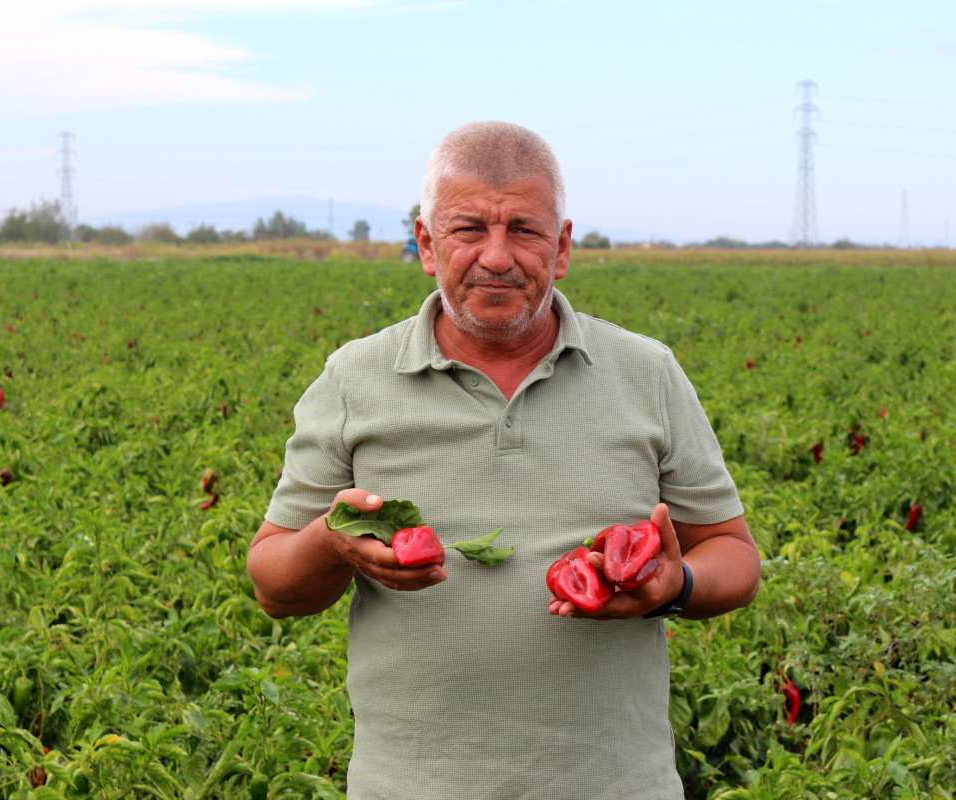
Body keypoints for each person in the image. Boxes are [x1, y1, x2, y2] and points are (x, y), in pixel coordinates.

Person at [246, 121, 761, 799]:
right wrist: (334, 539)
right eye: (467, 230)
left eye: (524, 229)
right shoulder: (355, 379)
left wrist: (677, 587)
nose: (497, 256)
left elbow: (733, 555)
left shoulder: (647, 373)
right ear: (427, 246)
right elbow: (272, 584)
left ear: (563, 246)